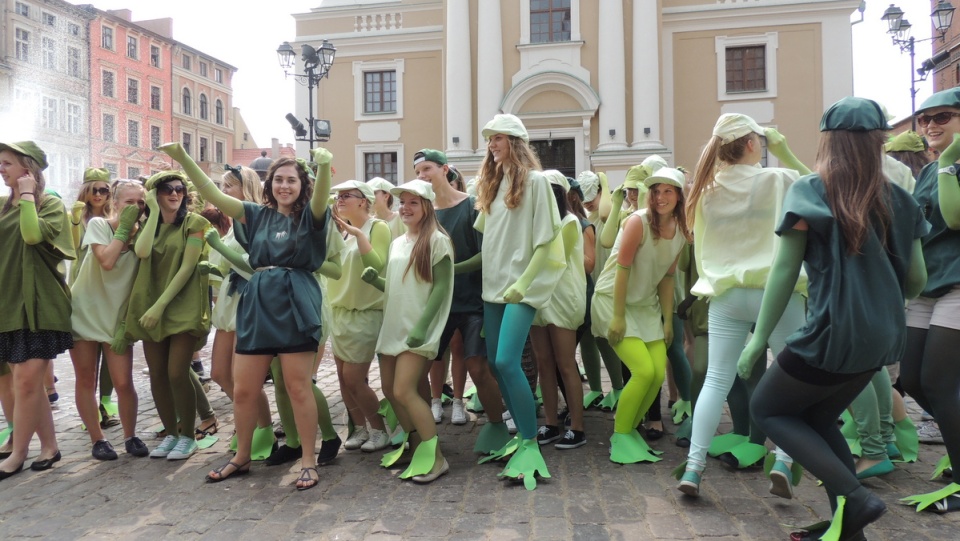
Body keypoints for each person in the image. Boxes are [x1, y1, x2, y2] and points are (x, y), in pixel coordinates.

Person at [741, 97, 928, 538]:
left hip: (833, 332)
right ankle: (849, 528)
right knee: (818, 420)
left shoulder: (810, 190)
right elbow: (918, 279)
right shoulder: (900, 197)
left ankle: (857, 498)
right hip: (882, 338)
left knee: (767, 409)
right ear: (879, 141)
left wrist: (757, 339)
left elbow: (784, 271)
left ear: (828, 140)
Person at [161, 143, 333, 491]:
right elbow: (211, 193)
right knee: (243, 390)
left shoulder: (310, 216)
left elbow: (320, 198)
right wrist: (183, 158)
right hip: (258, 301)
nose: (285, 186)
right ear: (269, 184)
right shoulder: (255, 213)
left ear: (302, 186)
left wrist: (325, 167)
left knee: (298, 387)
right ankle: (241, 456)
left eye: (292, 181)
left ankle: (308, 461)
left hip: (295, 299)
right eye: (279, 180)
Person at [676, 114, 810, 497]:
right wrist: (785, 152)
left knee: (716, 380)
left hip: (727, 294)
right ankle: (784, 459)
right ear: (752, 143)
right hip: (776, 292)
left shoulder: (705, 190)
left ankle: (693, 468)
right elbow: (820, 189)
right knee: (791, 377)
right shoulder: (777, 178)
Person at [473, 114, 565, 490]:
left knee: (509, 360)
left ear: (517, 141)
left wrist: (524, 283)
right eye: (490, 139)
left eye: (499, 138)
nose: (493, 144)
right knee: (496, 363)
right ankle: (520, 436)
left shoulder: (539, 183)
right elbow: (489, 244)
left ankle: (530, 440)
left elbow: (547, 241)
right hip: (493, 287)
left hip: (522, 289)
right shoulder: (492, 185)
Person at [591, 167, 690, 464]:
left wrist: (668, 319)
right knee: (643, 371)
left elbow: (667, 278)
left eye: (667, 191)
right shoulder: (637, 222)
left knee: (658, 372)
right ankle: (620, 434)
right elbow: (622, 270)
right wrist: (618, 317)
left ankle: (631, 430)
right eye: (656, 191)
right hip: (612, 302)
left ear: (679, 196)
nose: (660, 197)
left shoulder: (682, 230)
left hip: (647, 307)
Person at [414, 149, 510, 451]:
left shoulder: (472, 206)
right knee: (416, 368)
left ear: (444, 170)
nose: (421, 176)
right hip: (436, 304)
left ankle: (496, 425)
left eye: (426, 169)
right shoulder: (424, 212)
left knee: (478, 367)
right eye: (417, 172)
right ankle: (420, 434)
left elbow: (487, 254)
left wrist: (450, 270)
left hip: (473, 303)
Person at [362, 179, 454, 482]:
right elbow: (399, 288)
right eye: (403, 202)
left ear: (427, 206)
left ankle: (436, 456)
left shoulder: (437, 240)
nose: (406, 208)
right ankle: (415, 445)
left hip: (418, 328)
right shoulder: (397, 243)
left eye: (414, 202)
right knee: (390, 390)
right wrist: (376, 282)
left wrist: (423, 327)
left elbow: (441, 287)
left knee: (404, 389)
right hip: (393, 325)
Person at [898, 87, 960, 513]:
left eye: (943, 117)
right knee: (915, 380)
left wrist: (949, 165)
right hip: (928, 286)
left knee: (938, 381)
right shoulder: (927, 170)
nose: (931, 125)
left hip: (958, 283)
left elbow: (954, 217)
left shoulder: (946, 168)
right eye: (924, 119)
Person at [0, 141, 75, 479]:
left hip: (41, 305)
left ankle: (17, 453)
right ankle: (50, 446)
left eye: (7, 163)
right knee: (25, 382)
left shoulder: (51, 205)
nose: (1, 169)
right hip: (8, 304)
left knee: (28, 381)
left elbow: (32, 236)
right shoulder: (2, 206)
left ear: (28, 169)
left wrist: (28, 195)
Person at [124, 170, 210, 461]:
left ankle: (188, 435)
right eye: (166, 190)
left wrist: (160, 306)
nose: (175, 194)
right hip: (150, 304)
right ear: (154, 195)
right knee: (158, 374)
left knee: (177, 372)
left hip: (181, 304)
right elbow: (143, 251)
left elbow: (187, 268)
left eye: (180, 189)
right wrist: (150, 210)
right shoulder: (148, 226)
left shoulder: (194, 223)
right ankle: (171, 434)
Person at [69, 180, 148, 460]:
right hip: (85, 312)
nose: (136, 208)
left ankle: (131, 435)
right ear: (115, 203)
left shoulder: (144, 235)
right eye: (129, 202)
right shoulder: (99, 225)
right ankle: (97, 438)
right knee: (86, 379)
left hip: (116, 318)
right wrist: (124, 227)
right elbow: (107, 261)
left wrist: (128, 323)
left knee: (124, 381)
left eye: (140, 203)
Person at [328, 179, 391, 452]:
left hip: (366, 312)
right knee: (343, 378)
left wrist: (359, 235)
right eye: (338, 196)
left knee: (355, 378)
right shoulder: (338, 232)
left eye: (346, 196)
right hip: (338, 312)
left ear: (363, 200)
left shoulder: (378, 227)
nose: (340, 200)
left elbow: (377, 264)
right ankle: (359, 428)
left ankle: (379, 428)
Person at [531, 170, 587, 450]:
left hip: (563, 298)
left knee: (565, 363)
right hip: (536, 298)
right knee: (543, 363)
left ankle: (577, 426)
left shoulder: (569, 222)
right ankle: (551, 422)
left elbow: (555, 260)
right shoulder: (533, 222)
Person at [67, 167, 118, 423]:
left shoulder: (115, 216)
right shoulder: (77, 215)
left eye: (104, 190)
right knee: (87, 357)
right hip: (82, 282)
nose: (99, 195)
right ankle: (92, 412)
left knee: (110, 352)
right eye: (93, 189)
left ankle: (105, 403)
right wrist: (76, 220)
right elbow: (73, 247)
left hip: (108, 285)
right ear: (85, 191)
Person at [576, 170, 625, 410]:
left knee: (606, 340)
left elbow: (605, 211)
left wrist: (605, 182)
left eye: (592, 196)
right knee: (588, 338)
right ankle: (595, 388)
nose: (588, 201)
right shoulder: (583, 218)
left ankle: (618, 387)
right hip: (588, 284)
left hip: (607, 284)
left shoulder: (608, 215)